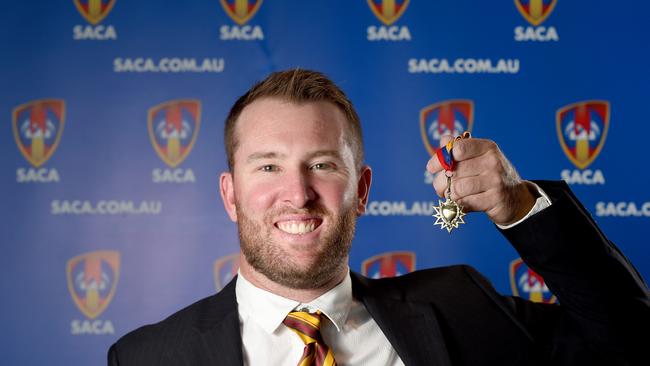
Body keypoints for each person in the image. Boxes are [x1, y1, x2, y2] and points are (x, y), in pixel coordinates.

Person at [108, 69, 648, 366]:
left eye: (322, 165)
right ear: (230, 195)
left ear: (362, 190)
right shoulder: (147, 358)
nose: (297, 193)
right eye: (269, 166)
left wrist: (520, 206)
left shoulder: (460, 308)